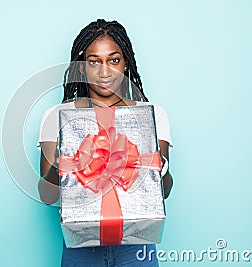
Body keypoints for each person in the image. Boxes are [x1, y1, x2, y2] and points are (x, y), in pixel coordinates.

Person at [37, 19, 173, 267]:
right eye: (93, 62)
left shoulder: (152, 115)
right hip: (79, 250)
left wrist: (156, 164)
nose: (105, 72)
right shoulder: (56, 116)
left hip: (137, 251)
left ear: (126, 63)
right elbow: (46, 195)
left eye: (114, 60)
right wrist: (65, 163)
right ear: (80, 68)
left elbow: (165, 190)